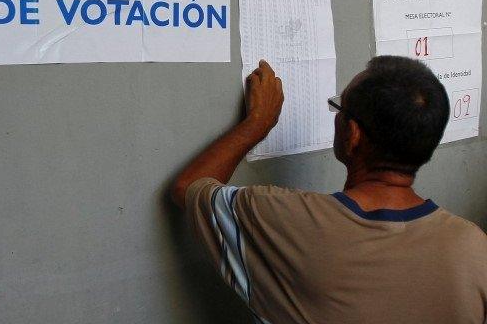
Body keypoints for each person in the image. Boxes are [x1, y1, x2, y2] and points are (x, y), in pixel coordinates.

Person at [171, 56, 487, 324]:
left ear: (352, 134)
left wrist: (256, 124)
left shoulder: (284, 220)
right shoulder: (474, 248)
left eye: (340, 108)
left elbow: (189, 187)